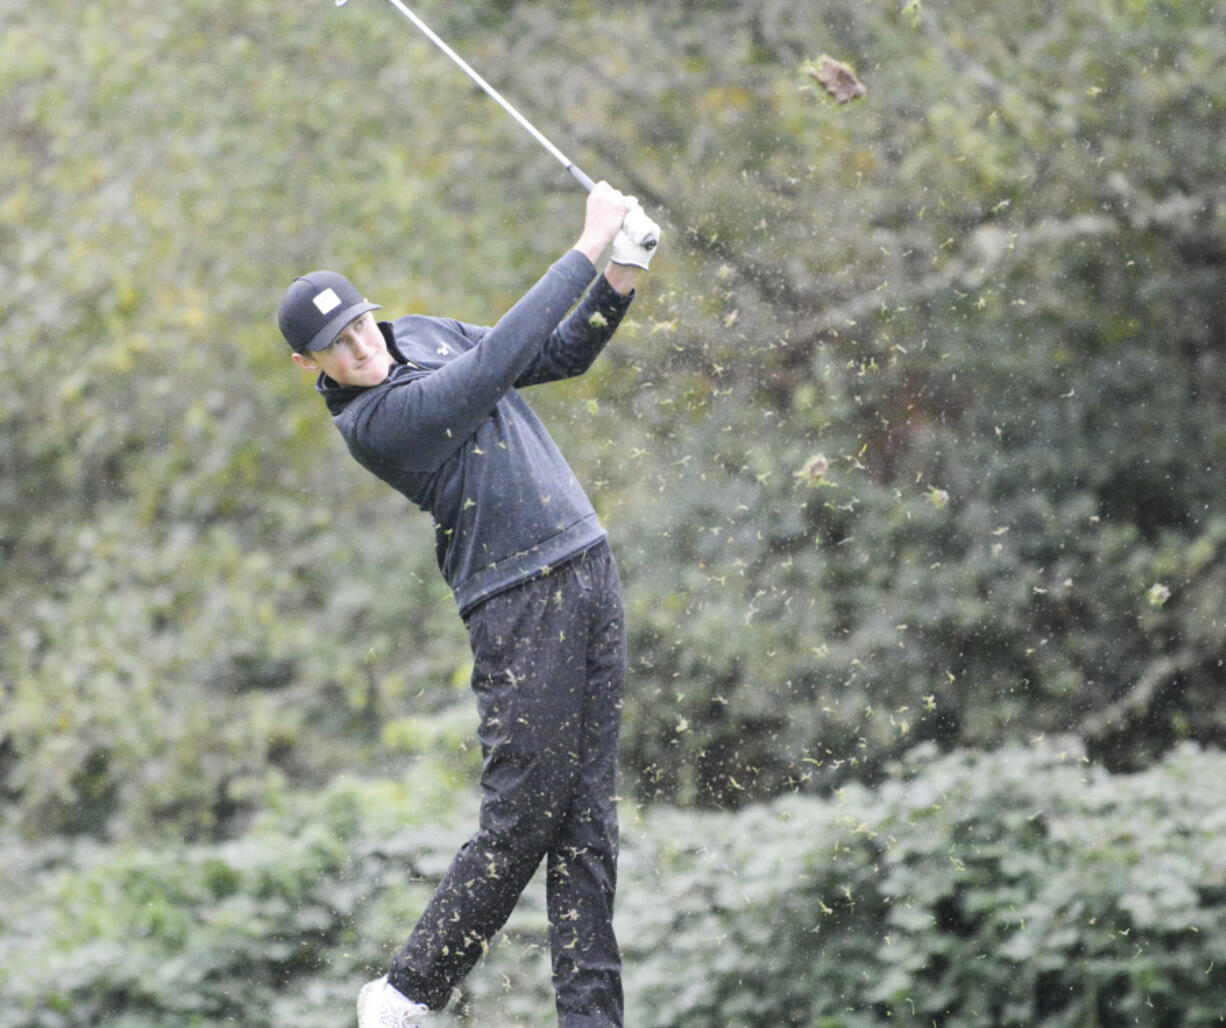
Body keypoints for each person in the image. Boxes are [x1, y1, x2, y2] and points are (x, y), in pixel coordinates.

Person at [276, 183, 661, 1028]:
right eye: (337, 346)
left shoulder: (419, 333)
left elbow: (556, 355)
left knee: (588, 824)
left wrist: (621, 276)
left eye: (361, 325)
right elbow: (489, 371)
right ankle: (406, 993)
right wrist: (588, 243)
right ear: (312, 366)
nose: (362, 346)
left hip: (587, 564)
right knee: (523, 818)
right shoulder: (376, 422)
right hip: (517, 601)